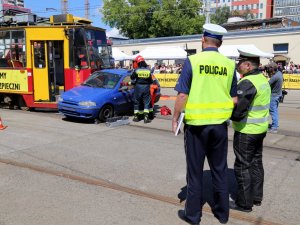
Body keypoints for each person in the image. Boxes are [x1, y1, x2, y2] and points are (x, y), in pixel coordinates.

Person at [172, 23, 237, 225]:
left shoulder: (192, 61)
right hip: (219, 126)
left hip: (196, 126)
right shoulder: (229, 65)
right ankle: (222, 213)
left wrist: (175, 118)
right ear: (221, 42)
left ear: (202, 39)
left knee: (195, 171)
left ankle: (193, 215)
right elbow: (234, 100)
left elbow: (182, 95)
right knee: (219, 169)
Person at [230, 47, 271, 213]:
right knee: (256, 162)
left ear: (247, 65)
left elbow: (238, 110)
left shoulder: (247, 82)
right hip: (259, 130)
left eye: (240, 62)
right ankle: (256, 197)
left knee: (242, 166)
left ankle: (244, 203)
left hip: (247, 130)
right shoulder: (262, 79)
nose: (238, 65)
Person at [131, 55, 153, 123]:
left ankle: (136, 117)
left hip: (138, 87)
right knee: (146, 102)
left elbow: (132, 77)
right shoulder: (148, 70)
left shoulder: (137, 70)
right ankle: (146, 118)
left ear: (138, 63)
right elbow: (151, 81)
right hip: (146, 87)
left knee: (136, 102)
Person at [268, 62, 283, 133]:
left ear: (272, 68)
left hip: (273, 96)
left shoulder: (274, 77)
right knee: (275, 111)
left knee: (273, 111)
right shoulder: (279, 73)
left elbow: (267, 84)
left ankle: (274, 127)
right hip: (278, 95)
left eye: (269, 68)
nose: (268, 69)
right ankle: (276, 125)